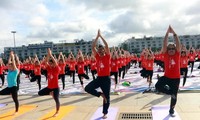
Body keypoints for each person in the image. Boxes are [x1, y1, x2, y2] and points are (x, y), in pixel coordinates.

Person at [85, 29, 111, 119]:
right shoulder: (97, 57)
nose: (99, 51)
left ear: (104, 51)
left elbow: (107, 45)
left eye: (101, 50)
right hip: (99, 78)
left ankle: (105, 113)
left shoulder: (107, 57)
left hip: (106, 79)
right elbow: (93, 47)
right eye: (99, 50)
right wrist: (97, 37)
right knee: (87, 88)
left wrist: (101, 36)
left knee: (107, 97)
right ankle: (100, 94)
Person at [155, 25, 181, 117]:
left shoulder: (177, 54)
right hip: (167, 77)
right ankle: (171, 93)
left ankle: (171, 110)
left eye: (172, 48)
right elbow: (164, 43)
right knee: (157, 86)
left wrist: (173, 33)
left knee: (174, 97)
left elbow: (177, 43)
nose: (170, 50)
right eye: (169, 48)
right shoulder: (166, 55)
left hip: (176, 79)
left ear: (175, 49)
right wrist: (166, 33)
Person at [38, 48, 60, 116]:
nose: (50, 65)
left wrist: (51, 55)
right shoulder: (49, 69)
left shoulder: (56, 69)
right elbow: (45, 62)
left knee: (56, 100)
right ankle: (51, 93)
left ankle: (57, 112)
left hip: (56, 88)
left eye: (51, 64)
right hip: (49, 87)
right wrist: (48, 55)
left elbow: (55, 63)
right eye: (49, 64)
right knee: (40, 93)